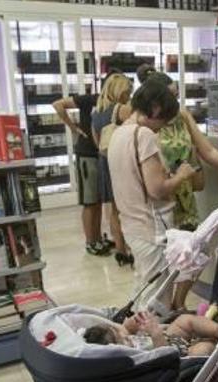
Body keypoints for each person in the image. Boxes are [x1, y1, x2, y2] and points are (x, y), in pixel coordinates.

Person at [143, 72, 218, 309]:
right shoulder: (145, 124)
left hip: (186, 198)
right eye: (171, 95)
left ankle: (180, 303)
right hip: (161, 201)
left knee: (194, 252)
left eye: (177, 95)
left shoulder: (182, 117)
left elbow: (208, 151)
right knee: (166, 258)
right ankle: (164, 307)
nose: (175, 101)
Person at [106, 80, 195, 305]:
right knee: (156, 297)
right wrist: (181, 175)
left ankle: (135, 331)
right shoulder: (143, 135)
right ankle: (150, 337)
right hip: (151, 227)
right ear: (155, 110)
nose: (162, 127)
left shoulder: (118, 132)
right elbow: (156, 189)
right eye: (163, 121)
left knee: (143, 285)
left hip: (131, 223)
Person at [52, 87, 109, 256]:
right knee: (89, 202)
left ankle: (98, 238)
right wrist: (73, 127)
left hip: (100, 155)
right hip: (86, 154)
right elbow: (57, 104)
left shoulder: (114, 105)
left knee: (98, 201)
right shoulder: (90, 99)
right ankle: (90, 241)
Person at [92, 73, 134, 266]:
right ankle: (132, 247)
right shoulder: (122, 110)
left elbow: (97, 142)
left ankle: (120, 250)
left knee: (113, 211)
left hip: (104, 162)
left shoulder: (96, 112)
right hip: (120, 163)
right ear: (120, 91)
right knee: (127, 208)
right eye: (127, 91)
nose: (129, 94)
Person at [83, 310, 218, 357]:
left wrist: (135, 321)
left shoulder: (124, 336)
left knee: (184, 320)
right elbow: (162, 355)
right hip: (177, 356)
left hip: (171, 337)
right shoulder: (133, 355)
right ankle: (214, 340)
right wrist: (155, 334)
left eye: (117, 332)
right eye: (119, 339)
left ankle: (217, 329)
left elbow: (126, 328)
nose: (124, 336)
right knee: (202, 350)